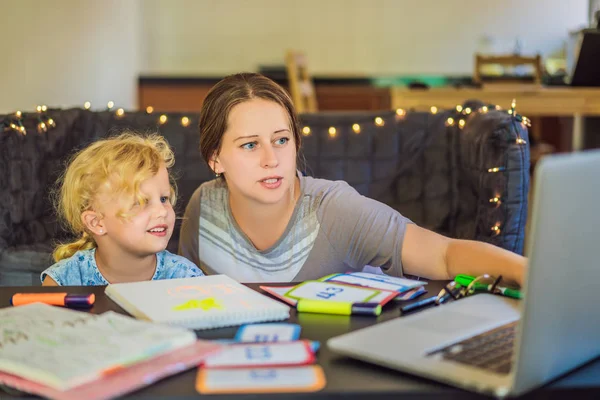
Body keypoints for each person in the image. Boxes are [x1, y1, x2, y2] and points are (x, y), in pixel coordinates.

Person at [179, 73, 526, 286]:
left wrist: (529, 273)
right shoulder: (203, 207)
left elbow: (445, 254)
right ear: (215, 158)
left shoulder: (334, 211)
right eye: (250, 145)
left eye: (281, 140)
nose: (272, 160)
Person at [42, 133, 204, 286]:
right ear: (96, 222)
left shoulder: (186, 279)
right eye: (140, 202)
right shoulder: (63, 281)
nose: (162, 211)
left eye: (163, 199)